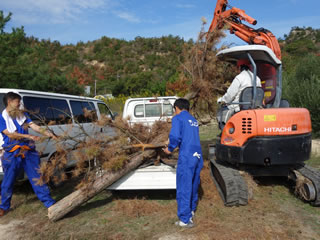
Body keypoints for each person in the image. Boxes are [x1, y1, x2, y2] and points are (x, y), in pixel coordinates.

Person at [0, 92, 57, 217]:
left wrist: (48, 133)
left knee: (37, 177)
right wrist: (27, 135)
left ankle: (50, 203)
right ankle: (3, 207)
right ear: (10, 101)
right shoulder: (2, 117)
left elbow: (34, 126)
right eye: (17, 101)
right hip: (12, 153)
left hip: (29, 151)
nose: (19, 104)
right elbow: (9, 134)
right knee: (8, 181)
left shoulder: (22, 115)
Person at [163, 98, 203, 228]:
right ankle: (191, 211)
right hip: (197, 155)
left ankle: (185, 220)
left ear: (176, 108)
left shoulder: (178, 118)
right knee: (193, 184)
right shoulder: (194, 120)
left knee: (184, 187)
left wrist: (169, 149)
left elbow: (175, 136)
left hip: (187, 156)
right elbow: (188, 136)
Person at [217, 59, 262, 128]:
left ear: (239, 67)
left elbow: (230, 95)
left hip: (239, 108)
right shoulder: (257, 79)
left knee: (222, 110)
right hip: (254, 108)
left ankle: (225, 130)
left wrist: (222, 100)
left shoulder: (239, 78)